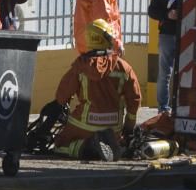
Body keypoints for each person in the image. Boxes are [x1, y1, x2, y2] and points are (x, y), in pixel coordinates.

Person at [52, 19, 141, 161]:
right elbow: (135, 99)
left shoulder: (80, 65)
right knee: (114, 140)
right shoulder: (124, 67)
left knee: (60, 144)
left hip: (84, 125)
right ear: (107, 38)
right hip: (114, 129)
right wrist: (128, 128)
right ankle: (105, 146)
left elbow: (62, 95)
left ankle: (88, 146)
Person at [147, 0, 181, 114]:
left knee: (183, 73)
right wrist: (167, 15)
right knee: (165, 73)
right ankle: (163, 108)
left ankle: (181, 107)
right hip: (167, 34)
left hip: (187, 36)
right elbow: (152, 11)